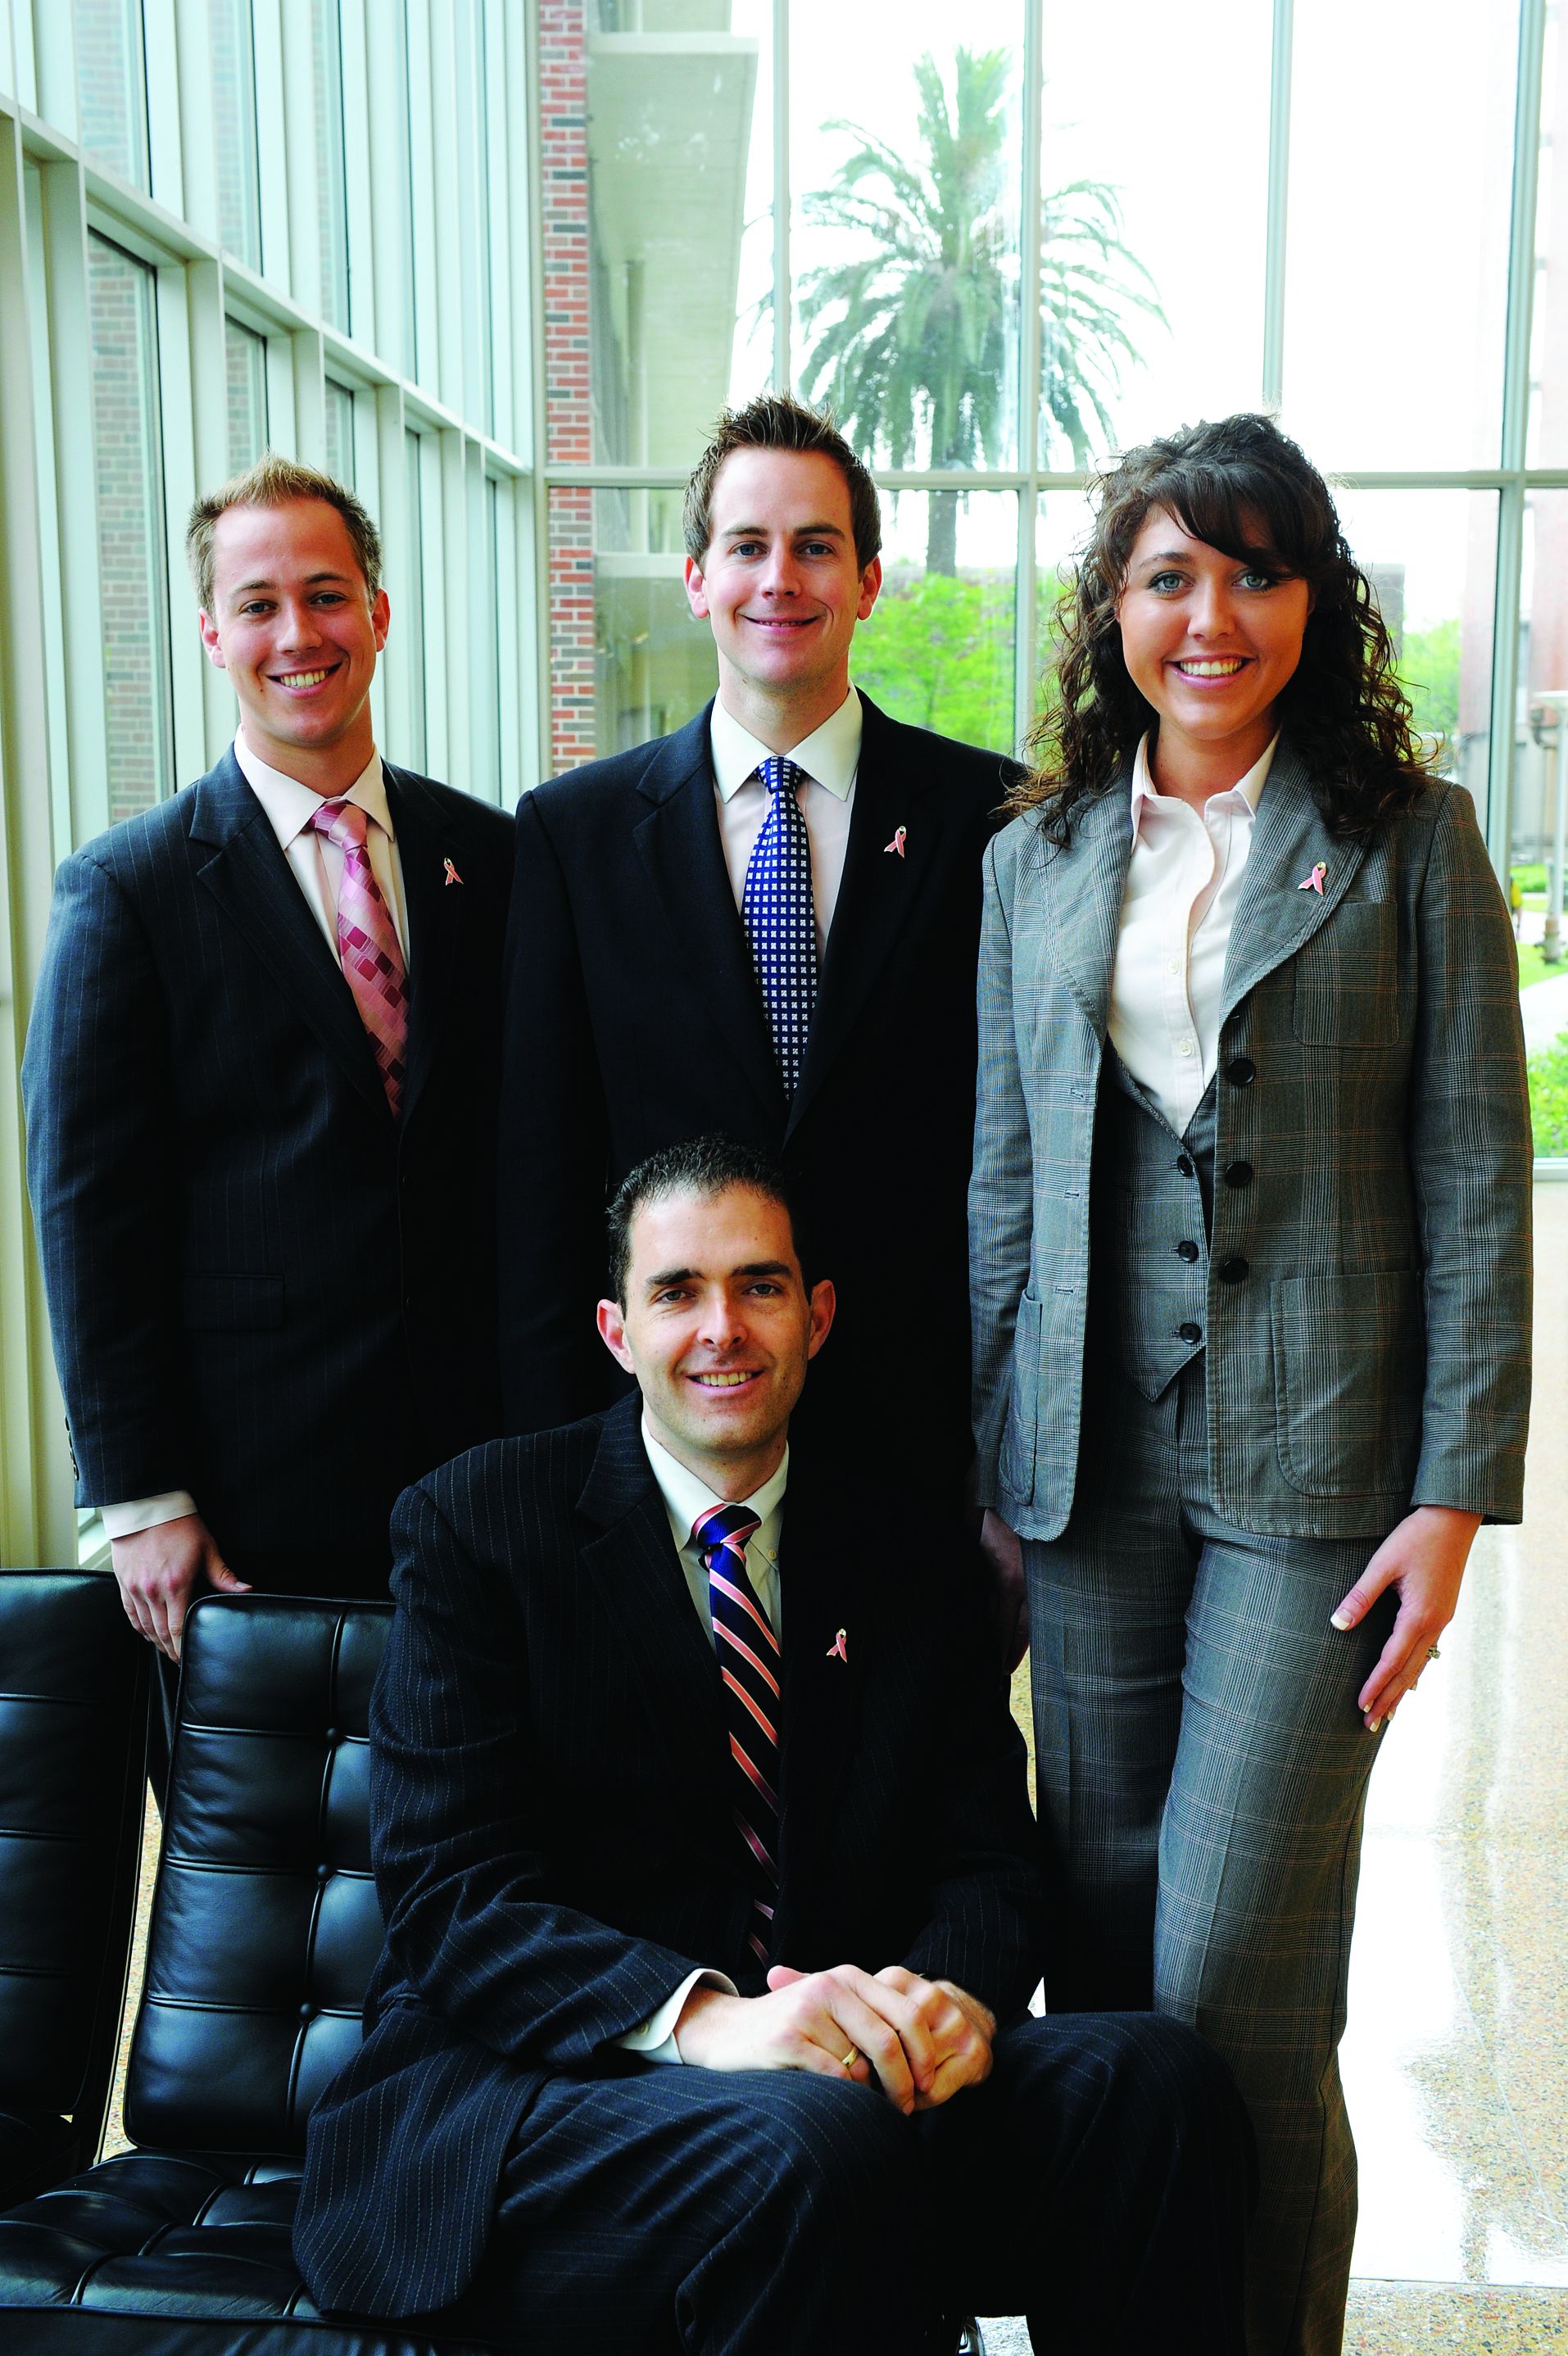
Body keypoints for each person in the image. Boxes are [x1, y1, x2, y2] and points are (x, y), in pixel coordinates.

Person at [294, 1137, 1251, 2353]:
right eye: (676, 1291)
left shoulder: (908, 1558)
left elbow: (987, 1867)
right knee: (816, 2142)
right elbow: (454, 1900)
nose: (721, 1329)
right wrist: (705, 2021)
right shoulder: (476, 1528)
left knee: (1156, 2087)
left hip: (839, 2088)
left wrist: (938, 2003)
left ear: (817, 1316)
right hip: (538, 2100)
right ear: (614, 1329)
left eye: (759, 1286)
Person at [968, 413, 1533, 2355]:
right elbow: (1008, 1180)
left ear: (1317, 597)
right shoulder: (1033, 856)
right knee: (1112, 1977)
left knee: (1242, 1981)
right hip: (1092, 1468)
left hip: (1320, 1473)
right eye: (1169, 577)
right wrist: (997, 1466)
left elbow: (1476, 1178)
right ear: (1114, 606)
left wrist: (1453, 1496)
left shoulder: (1406, 837)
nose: (1212, 617)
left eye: (1256, 571)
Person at [21, 454, 514, 1744]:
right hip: (254, 1493)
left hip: (484, 1461)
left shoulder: (493, 858)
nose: (298, 634)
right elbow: (87, 1212)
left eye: (327, 594)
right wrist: (138, 1496)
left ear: (379, 612)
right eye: (257, 604)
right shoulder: (128, 891)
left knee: (490, 1849)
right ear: (210, 635)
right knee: (262, 1883)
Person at [498, 392, 1016, 1552]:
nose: (779, 578)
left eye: (815, 546)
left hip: (917, 1432)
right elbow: (540, 1170)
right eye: (747, 546)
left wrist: (1007, 1466)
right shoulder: (572, 836)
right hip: (664, 1432)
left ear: (867, 581)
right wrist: (552, 1459)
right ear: (697, 579)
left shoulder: (988, 820)